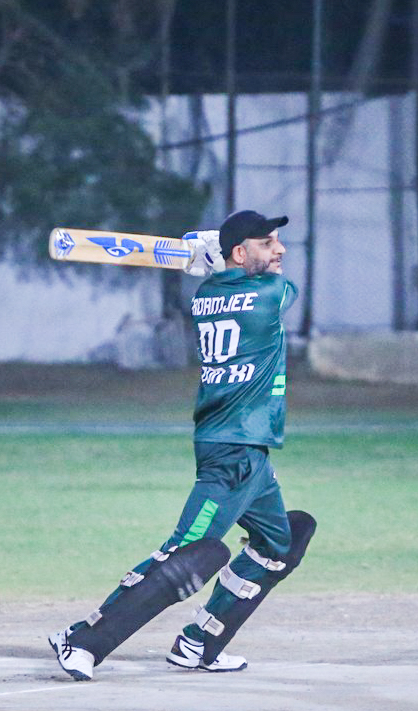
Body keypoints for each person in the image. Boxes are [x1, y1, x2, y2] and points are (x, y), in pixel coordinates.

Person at [49, 210, 317, 681]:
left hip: (247, 451)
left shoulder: (206, 295)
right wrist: (216, 256)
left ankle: (199, 644)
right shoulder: (269, 294)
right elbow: (282, 287)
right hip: (231, 451)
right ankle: (82, 639)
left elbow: (231, 281)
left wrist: (214, 259)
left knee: (281, 542)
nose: (280, 250)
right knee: (187, 552)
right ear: (240, 253)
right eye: (267, 243)